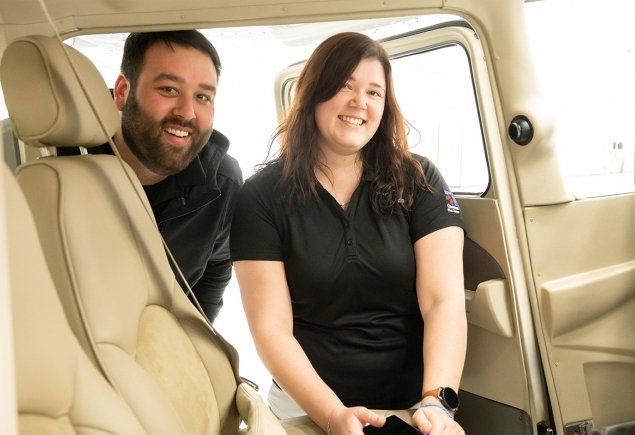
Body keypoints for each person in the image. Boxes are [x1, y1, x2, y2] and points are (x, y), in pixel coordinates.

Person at [230, 32, 466, 435]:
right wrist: (331, 415)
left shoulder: (419, 179)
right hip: (305, 407)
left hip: (412, 406)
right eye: (345, 86)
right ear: (313, 95)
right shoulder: (260, 197)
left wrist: (436, 402)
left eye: (374, 92)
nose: (360, 103)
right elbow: (271, 329)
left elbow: (443, 301)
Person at [61, 31, 242, 322]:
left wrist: (194, 339)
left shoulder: (222, 181)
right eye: (169, 89)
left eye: (202, 97)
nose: (187, 112)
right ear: (122, 91)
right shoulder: (58, 161)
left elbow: (217, 265)